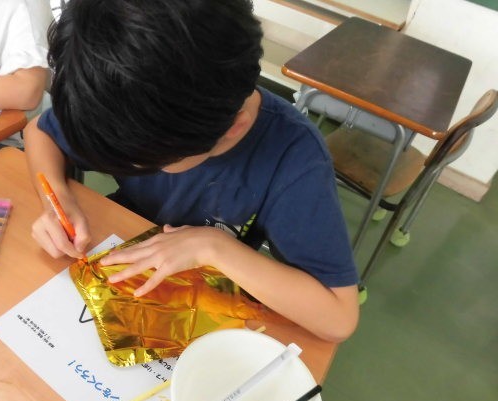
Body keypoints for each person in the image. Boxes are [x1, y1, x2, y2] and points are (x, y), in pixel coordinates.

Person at [25, 0, 360, 342]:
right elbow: (39, 132)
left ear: (234, 128)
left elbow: (339, 317)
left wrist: (212, 247)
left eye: (150, 164)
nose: (135, 169)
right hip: (123, 246)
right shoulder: (121, 99)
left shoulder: (295, 161)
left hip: (208, 296)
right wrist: (58, 199)